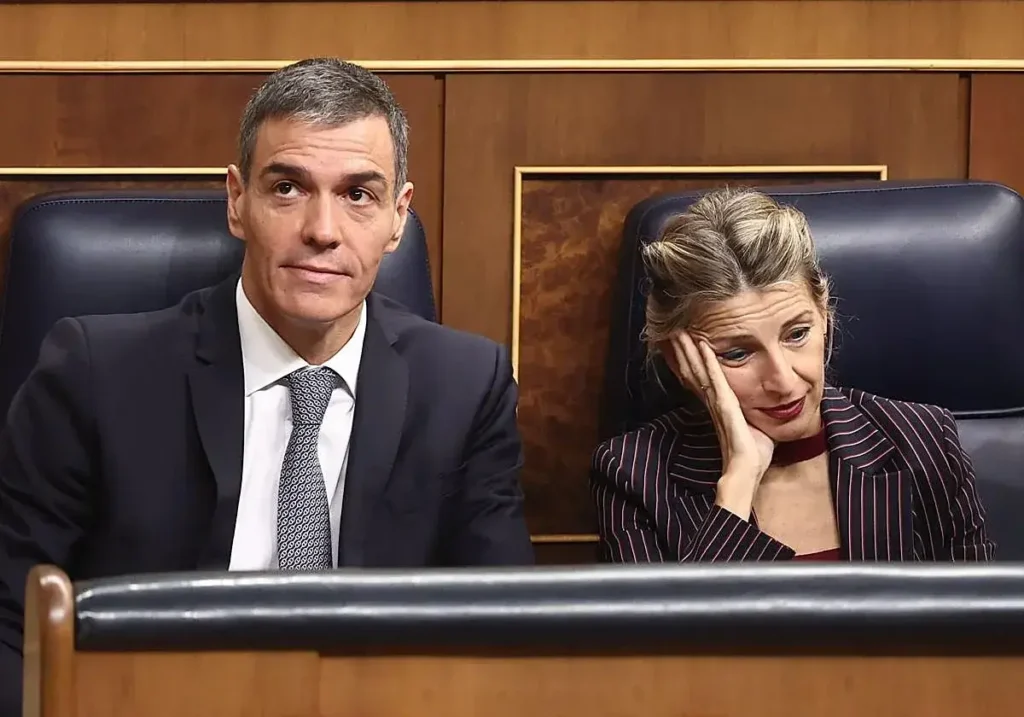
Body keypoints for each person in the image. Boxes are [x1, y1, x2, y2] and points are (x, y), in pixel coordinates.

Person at [0, 58, 533, 711]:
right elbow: (12, 627)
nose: (322, 230)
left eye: (358, 195)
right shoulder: (94, 374)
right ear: (236, 200)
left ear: (398, 217)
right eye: (287, 188)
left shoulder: (464, 386)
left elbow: (504, 633)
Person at [591, 187, 995, 564]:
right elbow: (677, 640)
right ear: (681, 358)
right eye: (737, 352)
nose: (783, 381)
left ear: (825, 314)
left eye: (797, 334)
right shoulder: (633, 476)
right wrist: (739, 481)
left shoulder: (923, 441)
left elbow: (983, 632)